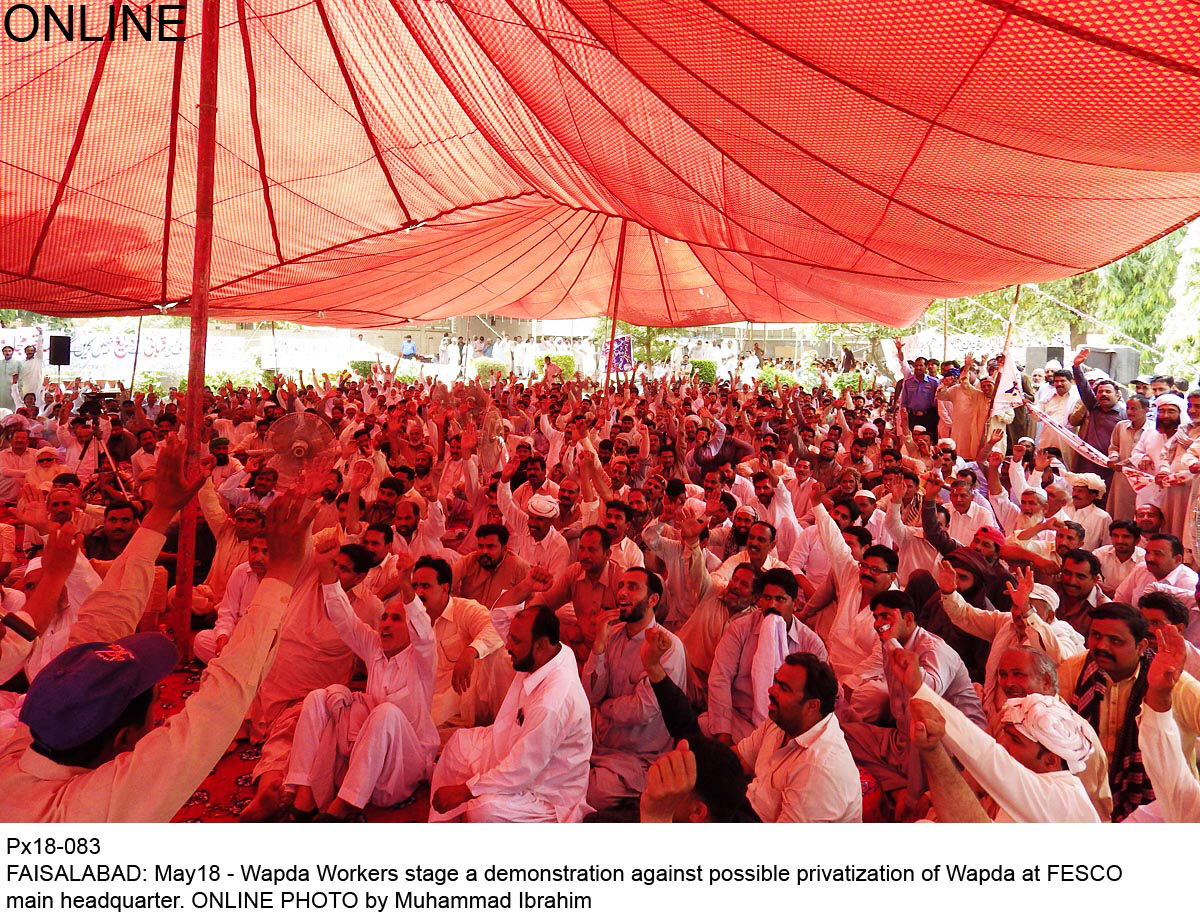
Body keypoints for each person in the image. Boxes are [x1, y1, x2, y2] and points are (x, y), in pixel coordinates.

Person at [0, 439, 312, 822]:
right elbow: (220, 704)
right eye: (157, 704)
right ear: (126, 741)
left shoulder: (19, 748)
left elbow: (96, 630)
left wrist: (161, 511)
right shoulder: (91, 809)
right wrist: (283, 573)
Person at [285, 553, 437, 820]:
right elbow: (345, 620)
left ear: (410, 628)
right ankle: (304, 790)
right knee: (318, 697)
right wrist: (328, 576)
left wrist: (405, 584)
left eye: (396, 619)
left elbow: (424, 631)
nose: (386, 624)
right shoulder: (374, 647)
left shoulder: (422, 657)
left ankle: (344, 805)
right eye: (385, 618)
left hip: (402, 766)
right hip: (364, 760)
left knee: (386, 711)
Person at [430, 605, 593, 822]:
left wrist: (465, 790)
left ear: (541, 644)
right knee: (459, 744)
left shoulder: (552, 702)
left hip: (545, 791)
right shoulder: (556, 651)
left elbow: (521, 771)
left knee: (484, 809)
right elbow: (499, 618)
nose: (507, 645)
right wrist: (527, 586)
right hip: (514, 746)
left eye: (515, 641)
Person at [584, 567, 685, 813]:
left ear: (653, 600)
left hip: (640, 755)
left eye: (632, 587)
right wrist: (598, 646)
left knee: (593, 793)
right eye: (621, 586)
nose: (622, 593)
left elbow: (640, 711)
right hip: (599, 743)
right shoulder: (612, 634)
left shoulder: (667, 646)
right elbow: (590, 694)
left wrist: (603, 706)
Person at [733, 652, 861, 822]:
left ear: (812, 706)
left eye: (784, 688)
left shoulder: (820, 768)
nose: (771, 690)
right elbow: (740, 759)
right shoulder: (781, 721)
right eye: (776, 682)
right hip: (750, 808)